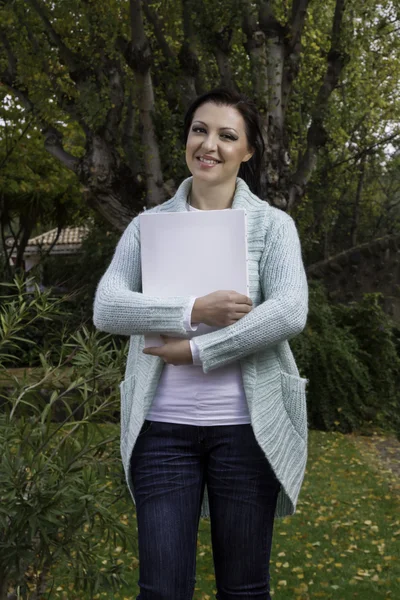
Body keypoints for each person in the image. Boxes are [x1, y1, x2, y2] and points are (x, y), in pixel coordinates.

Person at [93, 87, 309, 600]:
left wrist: (197, 349)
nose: (209, 144)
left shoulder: (274, 227)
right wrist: (194, 310)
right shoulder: (149, 226)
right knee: (163, 591)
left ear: (248, 151)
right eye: (199, 130)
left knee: (244, 589)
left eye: (226, 135)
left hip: (246, 430)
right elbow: (107, 306)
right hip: (162, 431)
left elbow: (289, 311)